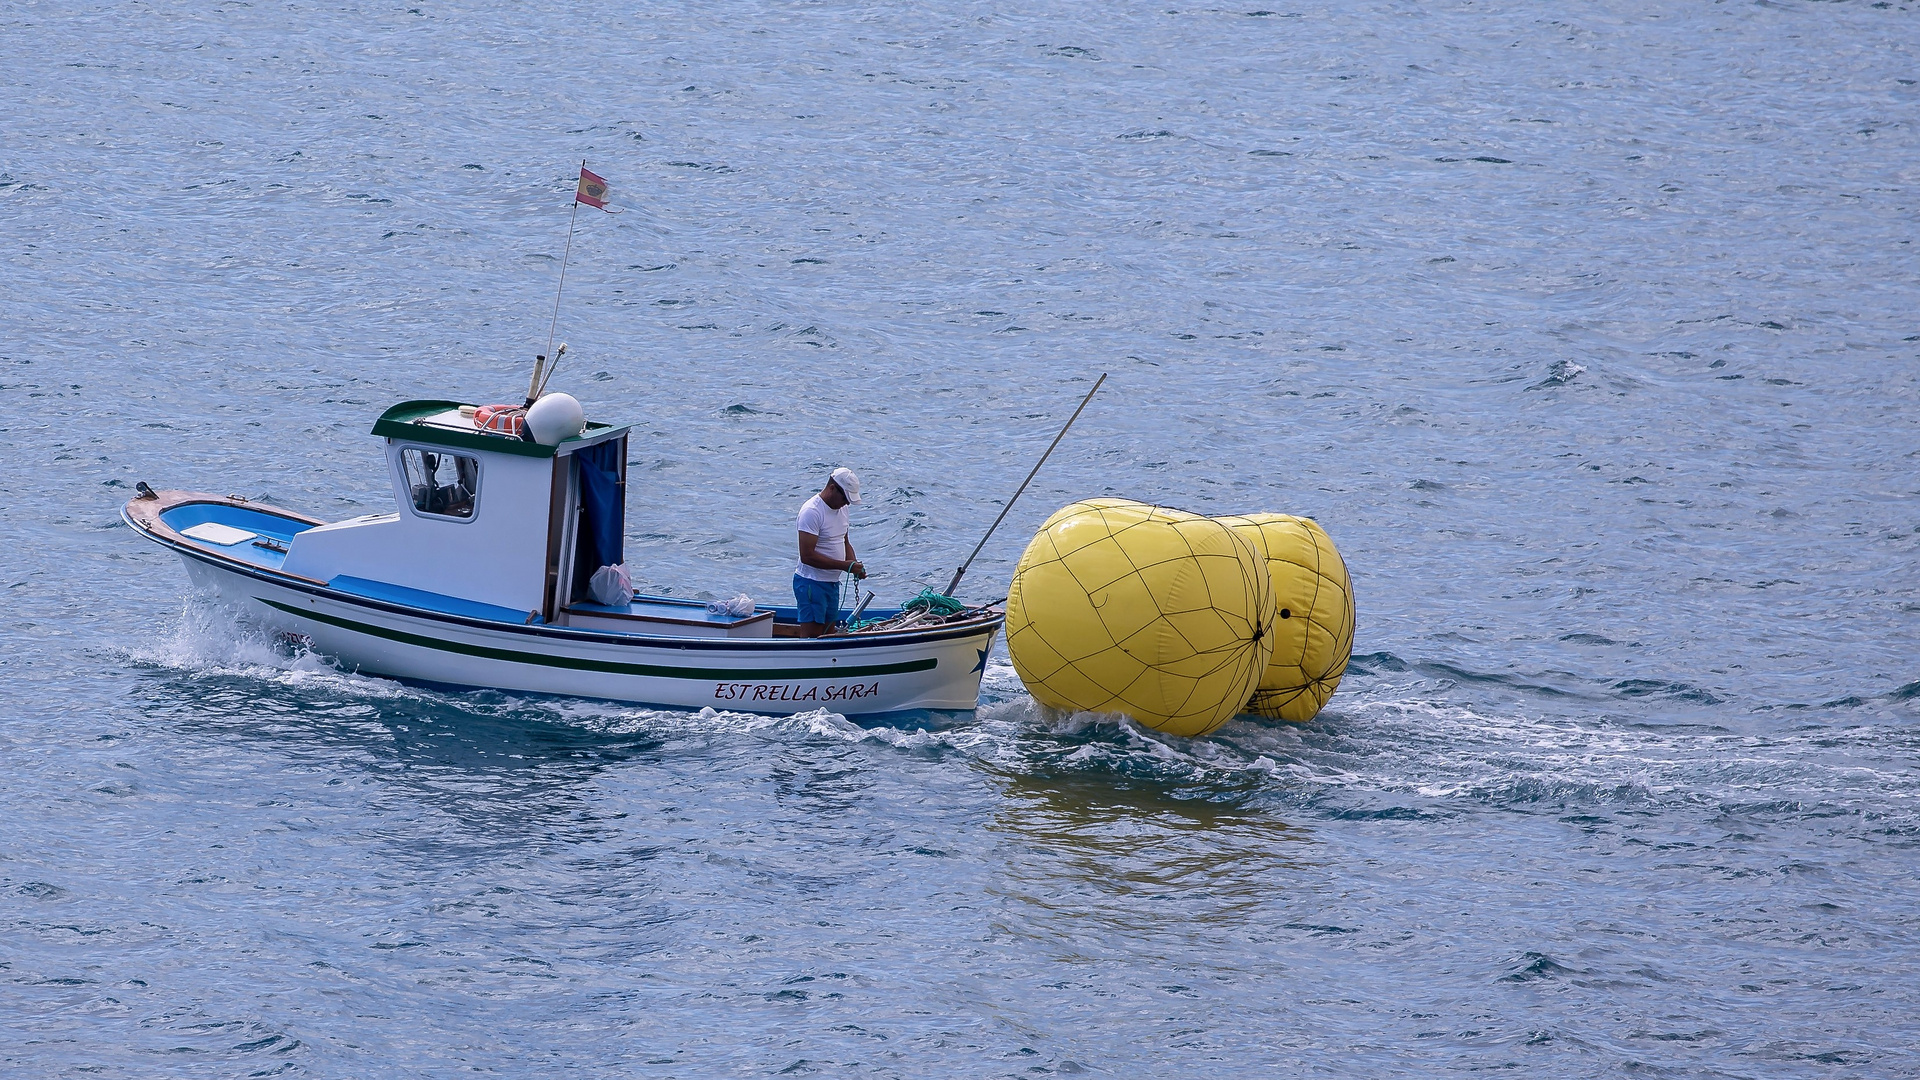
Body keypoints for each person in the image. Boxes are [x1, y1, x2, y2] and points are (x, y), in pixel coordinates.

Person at [793, 467, 866, 637]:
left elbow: (844, 540)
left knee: (828, 633)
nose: (847, 503)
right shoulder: (811, 512)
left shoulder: (842, 509)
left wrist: (854, 565)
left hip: (832, 585)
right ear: (832, 488)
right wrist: (844, 566)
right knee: (813, 637)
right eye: (845, 498)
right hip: (811, 583)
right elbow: (807, 556)